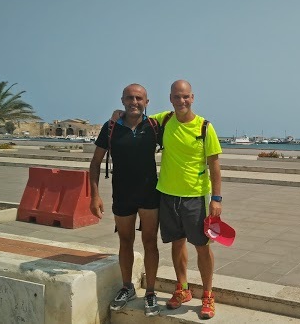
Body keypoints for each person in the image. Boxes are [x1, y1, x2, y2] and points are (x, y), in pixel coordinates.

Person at [112, 79, 223, 319]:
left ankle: (207, 294)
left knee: (202, 247)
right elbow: (136, 115)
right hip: (167, 195)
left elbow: (214, 165)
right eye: (176, 97)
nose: (181, 101)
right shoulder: (163, 120)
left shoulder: (205, 127)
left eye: (185, 97)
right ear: (170, 99)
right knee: (177, 243)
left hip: (195, 197)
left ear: (192, 98)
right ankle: (182, 289)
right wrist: (117, 114)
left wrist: (216, 198)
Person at [89, 84, 162, 317]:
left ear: (146, 102)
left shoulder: (154, 127)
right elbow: (95, 162)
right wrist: (95, 195)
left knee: (150, 242)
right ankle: (127, 286)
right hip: (122, 195)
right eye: (130, 98)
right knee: (125, 241)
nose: (134, 102)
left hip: (150, 194)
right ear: (122, 101)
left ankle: (150, 291)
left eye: (139, 98)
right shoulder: (111, 128)